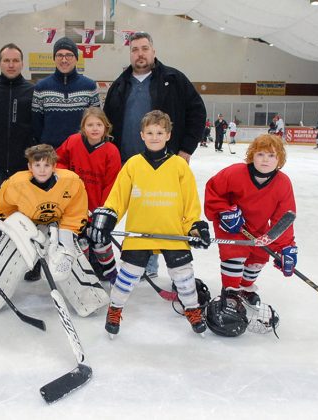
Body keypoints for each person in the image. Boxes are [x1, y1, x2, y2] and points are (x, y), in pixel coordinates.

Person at [89, 110, 212, 338]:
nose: (154, 136)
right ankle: (115, 309)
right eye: (150, 132)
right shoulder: (134, 164)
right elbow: (118, 197)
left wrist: (195, 225)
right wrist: (108, 215)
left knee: (184, 277)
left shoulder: (179, 165)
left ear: (168, 135)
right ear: (142, 135)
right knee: (127, 276)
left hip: (173, 233)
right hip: (139, 234)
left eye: (159, 132)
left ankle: (192, 310)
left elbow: (190, 202)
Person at [103, 31, 207, 278]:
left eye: (144, 48)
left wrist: (185, 149)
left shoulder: (174, 79)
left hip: (165, 161)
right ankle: (137, 262)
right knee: (139, 211)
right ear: (130, 54)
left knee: (161, 210)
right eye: (135, 50)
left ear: (153, 51)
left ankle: (159, 264)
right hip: (129, 161)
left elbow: (197, 112)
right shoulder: (120, 85)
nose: (140, 54)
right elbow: (109, 121)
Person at [0, 144, 109, 317]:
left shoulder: (71, 182)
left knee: (68, 257)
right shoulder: (16, 183)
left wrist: (65, 244)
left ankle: (90, 300)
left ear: (54, 166)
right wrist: (21, 230)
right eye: (37, 165)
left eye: (47, 165)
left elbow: (75, 213)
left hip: (57, 226)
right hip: (26, 226)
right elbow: (5, 209)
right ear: (29, 167)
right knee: (8, 255)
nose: (42, 170)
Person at [203, 134, 296, 337]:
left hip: (258, 226)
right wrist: (225, 210)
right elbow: (213, 190)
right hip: (231, 224)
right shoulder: (235, 173)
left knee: (259, 257)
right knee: (235, 253)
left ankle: (245, 287)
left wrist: (285, 248)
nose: (265, 159)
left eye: (271, 155)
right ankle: (231, 291)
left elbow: (283, 219)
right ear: (251, 155)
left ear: (279, 159)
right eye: (260, 154)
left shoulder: (283, 183)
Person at [0, 43, 34, 256]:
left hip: (24, 167)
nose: (11, 65)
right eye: (6, 60)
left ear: (22, 63)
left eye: (15, 60)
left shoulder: (32, 91)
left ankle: (29, 261)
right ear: (0, 62)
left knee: (27, 217)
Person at [56, 107, 122, 282]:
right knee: (80, 242)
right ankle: (83, 271)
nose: (94, 128)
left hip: (96, 207)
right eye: (90, 124)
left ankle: (110, 271)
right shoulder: (73, 141)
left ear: (105, 127)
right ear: (83, 127)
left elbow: (112, 184)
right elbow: (58, 161)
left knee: (100, 239)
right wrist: (69, 178)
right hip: (74, 207)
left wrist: (102, 211)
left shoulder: (111, 151)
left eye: (99, 124)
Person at [32, 37, 100, 148]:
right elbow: (36, 125)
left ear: (76, 58)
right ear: (54, 58)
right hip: (51, 154)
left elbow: (97, 122)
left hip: (81, 151)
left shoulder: (90, 86)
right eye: (59, 55)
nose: (64, 60)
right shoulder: (41, 87)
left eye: (69, 55)